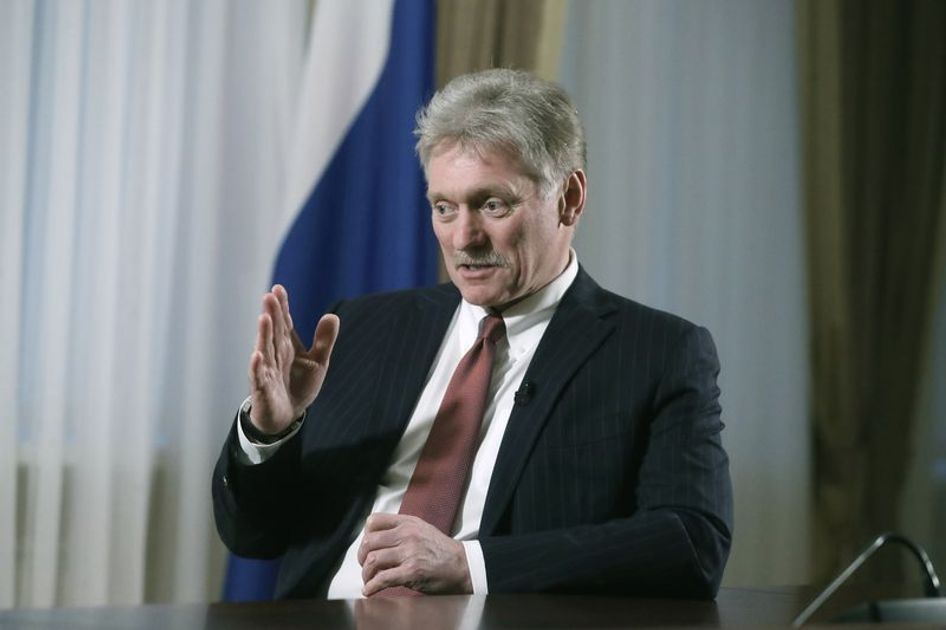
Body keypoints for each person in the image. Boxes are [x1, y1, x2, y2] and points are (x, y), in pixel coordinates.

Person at [212, 68, 733, 600]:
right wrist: (271, 433)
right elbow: (254, 536)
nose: (464, 238)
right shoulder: (364, 329)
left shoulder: (657, 354)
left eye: (492, 205)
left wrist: (472, 567)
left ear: (569, 197)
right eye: (444, 208)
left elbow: (692, 544)